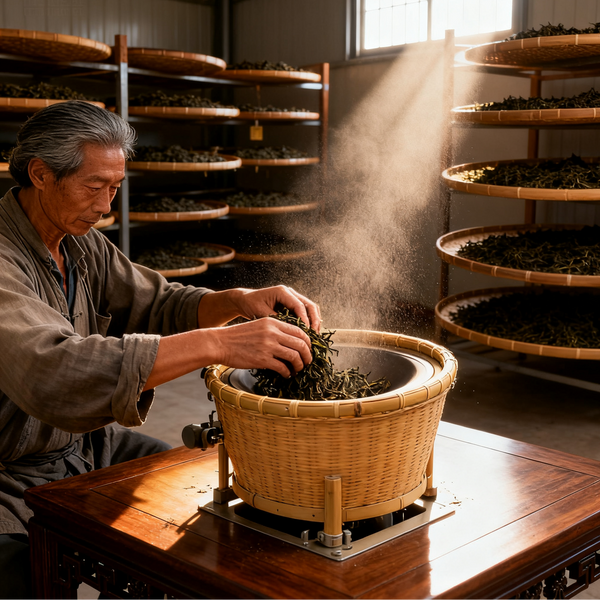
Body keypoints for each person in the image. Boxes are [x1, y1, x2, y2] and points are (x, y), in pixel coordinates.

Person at [0, 100, 321, 599]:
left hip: (78, 445)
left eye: (115, 188)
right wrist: (220, 343)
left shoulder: (79, 243)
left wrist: (235, 301)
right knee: (23, 575)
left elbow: (156, 301)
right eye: (94, 187)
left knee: (180, 500)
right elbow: (53, 371)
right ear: (41, 174)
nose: (107, 206)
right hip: (7, 468)